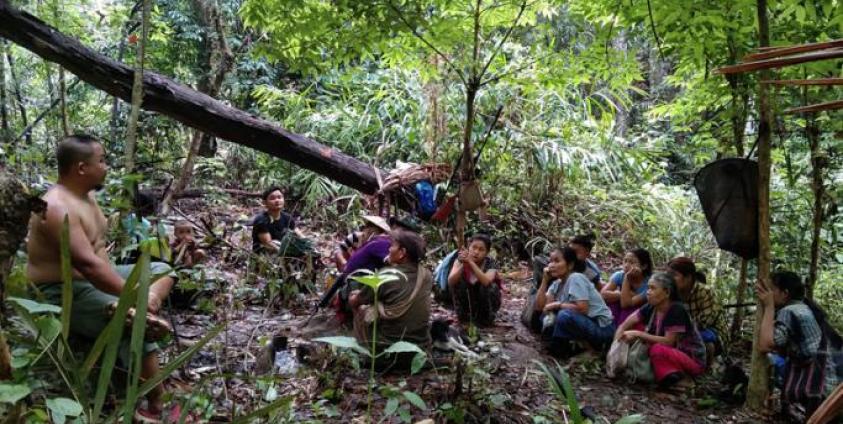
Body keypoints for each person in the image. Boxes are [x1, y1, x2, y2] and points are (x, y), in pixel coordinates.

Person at [26, 134, 178, 421]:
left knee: (164, 271)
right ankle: (157, 401)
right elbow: (88, 266)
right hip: (62, 291)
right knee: (133, 320)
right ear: (82, 168)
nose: (107, 166)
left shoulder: (88, 195)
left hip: (96, 280)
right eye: (102, 160)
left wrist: (145, 296)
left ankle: (144, 307)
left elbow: (98, 258)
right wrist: (134, 297)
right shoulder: (56, 207)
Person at [757, 271, 842, 418]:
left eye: (771, 289)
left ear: (785, 293)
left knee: (771, 359)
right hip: (832, 378)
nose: (768, 293)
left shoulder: (790, 311)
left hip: (821, 382)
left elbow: (765, 345)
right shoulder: (804, 307)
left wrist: (769, 306)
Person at [350, 230, 432, 367]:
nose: (389, 249)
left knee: (361, 306)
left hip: (386, 347)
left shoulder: (386, 276)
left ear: (402, 253)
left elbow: (356, 301)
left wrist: (354, 295)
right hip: (420, 347)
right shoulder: (427, 275)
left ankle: (364, 349)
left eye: (393, 245)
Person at [615, 272, 707, 388]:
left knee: (657, 349)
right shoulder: (651, 306)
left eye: (653, 288)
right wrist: (619, 335)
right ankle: (662, 374)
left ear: (667, 292)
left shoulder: (676, 310)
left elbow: (668, 342)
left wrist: (637, 334)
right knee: (636, 328)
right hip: (670, 353)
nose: (648, 292)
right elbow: (628, 322)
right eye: (648, 288)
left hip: (691, 360)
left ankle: (680, 378)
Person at [533, 246, 615, 356]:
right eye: (550, 261)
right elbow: (540, 307)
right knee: (545, 317)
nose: (551, 265)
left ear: (570, 265)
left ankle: (565, 349)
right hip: (586, 324)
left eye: (557, 261)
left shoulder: (576, 278)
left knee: (564, 315)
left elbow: (583, 309)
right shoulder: (557, 284)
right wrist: (544, 280)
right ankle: (568, 346)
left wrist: (558, 304)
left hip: (602, 329)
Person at [334, 216, 392, 317]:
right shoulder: (356, 237)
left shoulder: (379, 243)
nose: (367, 232)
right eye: (367, 228)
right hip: (351, 273)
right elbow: (338, 249)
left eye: (372, 230)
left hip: (365, 278)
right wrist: (344, 262)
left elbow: (389, 261)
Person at [667, 257, 724, 360]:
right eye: (668, 276)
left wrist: (676, 331)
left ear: (688, 277)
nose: (670, 279)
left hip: (710, 333)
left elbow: (704, 322)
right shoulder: (671, 294)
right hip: (682, 332)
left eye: (674, 275)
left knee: (705, 344)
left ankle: (706, 370)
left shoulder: (705, 292)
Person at [447, 233, 501, 327]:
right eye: (474, 247)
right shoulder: (460, 260)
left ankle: (485, 319)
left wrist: (471, 263)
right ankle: (464, 316)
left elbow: (486, 281)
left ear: (487, 252)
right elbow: (451, 281)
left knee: (488, 286)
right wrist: (464, 265)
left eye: (481, 250)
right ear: (469, 247)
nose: (476, 252)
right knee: (458, 282)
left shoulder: (491, 263)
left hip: (485, 304)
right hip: (467, 303)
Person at [251, 186, 311, 256]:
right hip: (265, 255)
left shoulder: (287, 217)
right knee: (276, 243)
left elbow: (300, 235)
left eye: (279, 197)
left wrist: (308, 245)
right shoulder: (261, 220)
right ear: (265, 203)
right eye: (272, 198)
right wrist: (289, 253)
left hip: (283, 250)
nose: (277, 200)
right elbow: (268, 243)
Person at [600, 248, 653, 327]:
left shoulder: (649, 284)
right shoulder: (619, 275)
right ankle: (609, 328)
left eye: (632, 262)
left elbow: (626, 304)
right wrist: (627, 294)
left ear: (644, 266)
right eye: (625, 261)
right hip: (622, 308)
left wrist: (626, 278)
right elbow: (603, 294)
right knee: (612, 303)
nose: (626, 265)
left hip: (638, 314)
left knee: (627, 310)